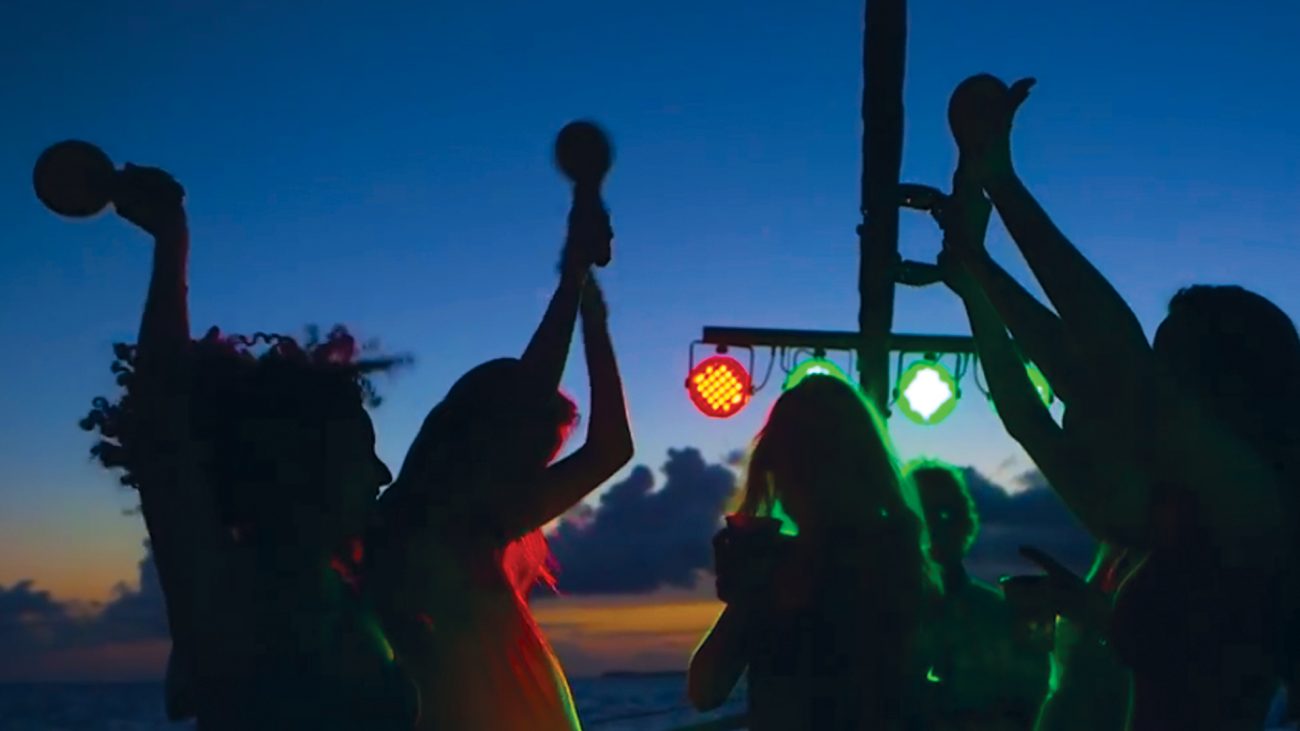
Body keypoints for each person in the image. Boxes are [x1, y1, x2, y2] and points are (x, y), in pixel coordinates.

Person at [942, 73, 1300, 730]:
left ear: (1225, 382)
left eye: (1169, 364)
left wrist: (1000, 184)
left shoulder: (1260, 507)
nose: (1150, 375)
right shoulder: (1187, 519)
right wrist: (975, 273)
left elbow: (1115, 373)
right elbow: (1042, 411)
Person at [78, 164, 415, 729]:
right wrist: (171, 243)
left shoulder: (345, 590)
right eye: (361, 453)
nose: (381, 474)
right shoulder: (230, 596)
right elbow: (164, 428)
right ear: (299, 468)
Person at [367, 208, 633, 730]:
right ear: (485, 444)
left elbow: (601, 445)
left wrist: (584, 299)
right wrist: (579, 293)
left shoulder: (440, 523)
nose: (533, 475)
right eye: (530, 456)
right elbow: (596, 441)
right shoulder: (432, 525)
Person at [687, 375, 942, 731]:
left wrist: (751, 594)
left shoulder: (875, 564)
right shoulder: (900, 556)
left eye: (795, 462)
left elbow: (707, 690)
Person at [907, 460, 1049, 730]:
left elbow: (1030, 706)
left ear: (966, 524)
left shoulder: (1001, 616)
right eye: (922, 515)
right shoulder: (876, 615)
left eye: (945, 514)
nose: (933, 528)